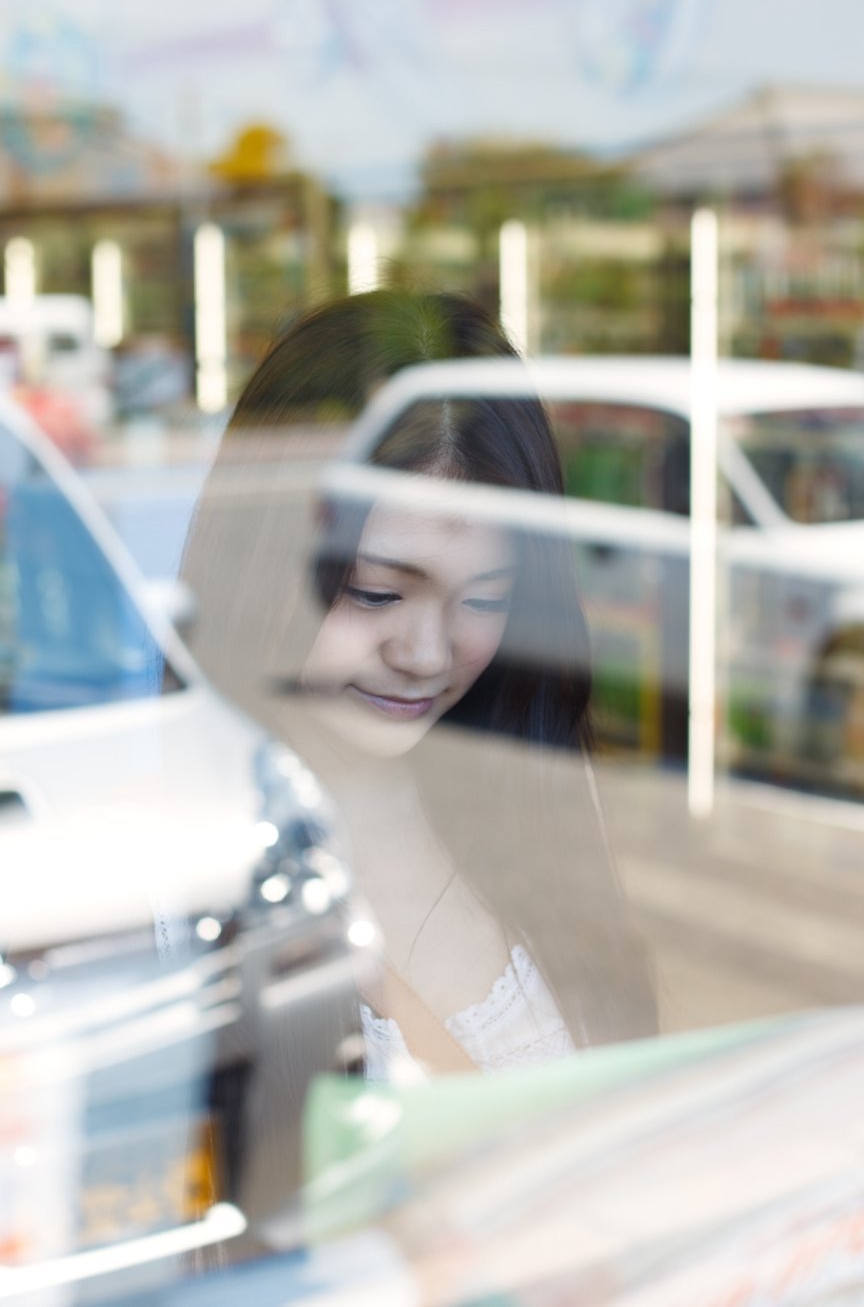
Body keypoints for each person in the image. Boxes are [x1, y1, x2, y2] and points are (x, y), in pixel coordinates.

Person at [182, 290, 657, 1079]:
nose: (427, 653)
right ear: (258, 562)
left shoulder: (522, 786)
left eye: (484, 599)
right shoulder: (189, 842)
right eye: (376, 592)